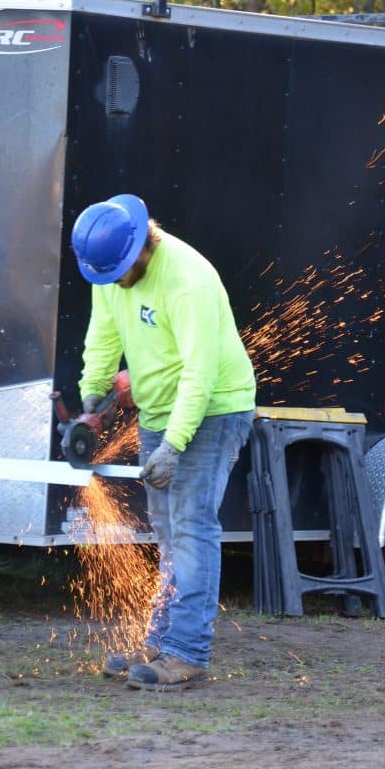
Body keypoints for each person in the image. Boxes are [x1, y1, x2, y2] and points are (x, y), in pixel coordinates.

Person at [71, 193, 256, 691]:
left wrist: (173, 445)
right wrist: (92, 397)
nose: (110, 284)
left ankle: (189, 653)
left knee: (192, 526)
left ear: (138, 252)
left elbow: (201, 374)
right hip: (159, 408)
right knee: (167, 529)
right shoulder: (110, 270)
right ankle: (161, 641)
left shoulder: (187, 279)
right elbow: (103, 335)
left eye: (116, 274)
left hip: (214, 408)